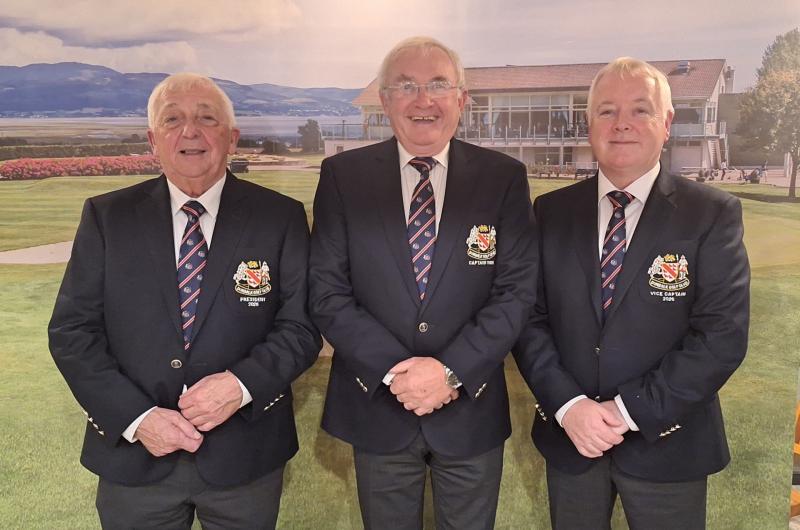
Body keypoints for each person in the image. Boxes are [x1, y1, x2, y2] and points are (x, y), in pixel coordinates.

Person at [48, 73, 321, 529]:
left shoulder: (281, 217)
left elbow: (301, 327)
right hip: (135, 458)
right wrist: (137, 417)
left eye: (206, 118)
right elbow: (73, 333)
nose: (190, 131)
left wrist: (239, 385)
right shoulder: (107, 217)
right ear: (153, 140)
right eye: (173, 119)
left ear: (231, 138)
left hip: (244, 459)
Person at [309, 36, 536, 530]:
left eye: (438, 85)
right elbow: (327, 293)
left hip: (470, 408)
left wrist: (449, 371)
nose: (423, 99)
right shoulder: (342, 176)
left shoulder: (504, 178)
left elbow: (516, 293)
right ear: (385, 100)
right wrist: (398, 372)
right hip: (378, 407)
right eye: (406, 86)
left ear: (462, 99)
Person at [513, 57, 750, 530]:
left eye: (640, 110)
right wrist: (569, 406)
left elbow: (721, 337)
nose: (621, 123)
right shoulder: (552, 211)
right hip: (573, 441)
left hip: (670, 444)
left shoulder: (711, 213)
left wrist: (626, 411)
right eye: (606, 111)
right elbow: (528, 319)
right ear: (588, 124)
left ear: (666, 124)